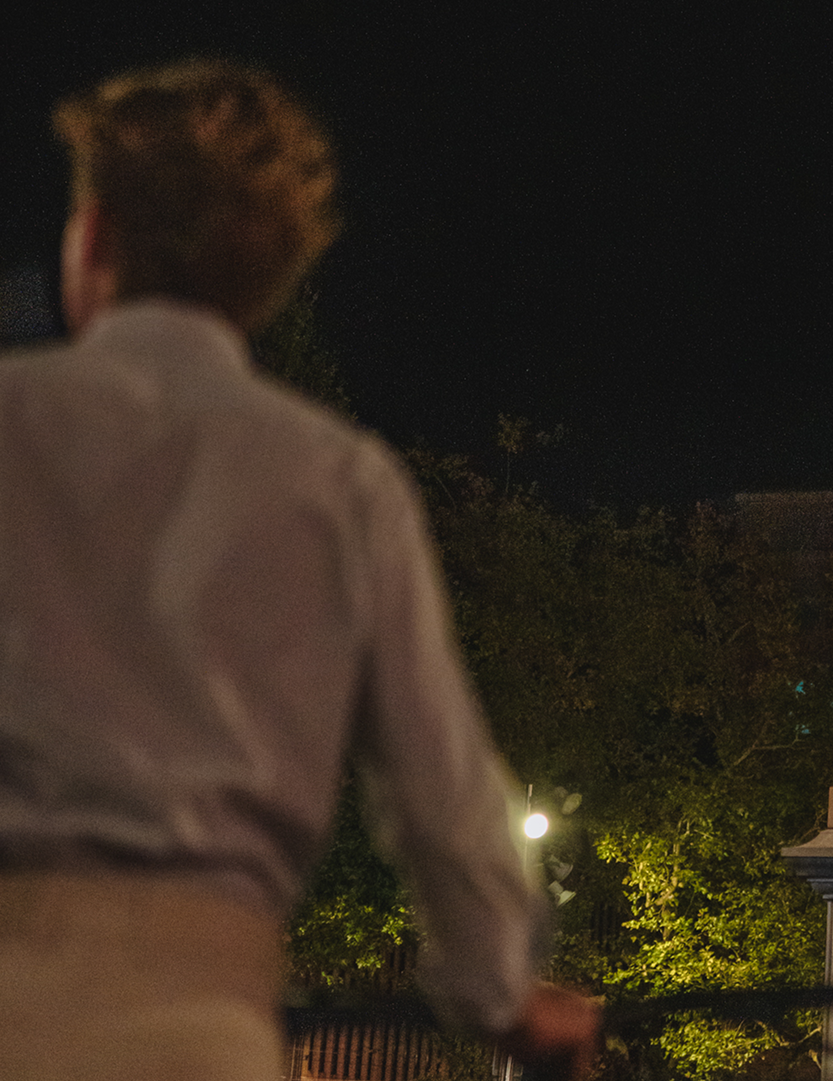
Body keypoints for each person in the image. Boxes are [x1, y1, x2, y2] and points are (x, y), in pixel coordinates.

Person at [0, 60, 599, 1078]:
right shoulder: (340, 484)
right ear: (266, 280)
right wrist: (499, 990)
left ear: (92, 239)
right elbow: (445, 797)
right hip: (203, 1027)